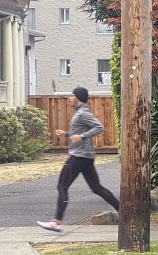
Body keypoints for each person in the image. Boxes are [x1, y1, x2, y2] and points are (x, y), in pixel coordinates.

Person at [36, 87, 119, 232]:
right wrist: (67, 134)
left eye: (72, 96)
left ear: (78, 97)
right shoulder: (80, 113)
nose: (70, 98)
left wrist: (82, 136)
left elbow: (99, 127)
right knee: (96, 188)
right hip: (85, 156)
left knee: (62, 186)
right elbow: (78, 132)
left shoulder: (83, 113)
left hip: (79, 156)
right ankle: (124, 211)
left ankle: (56, 221)